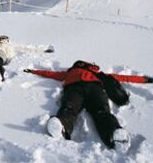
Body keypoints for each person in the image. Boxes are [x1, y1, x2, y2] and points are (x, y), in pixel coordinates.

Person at [24, 60, 153, 152]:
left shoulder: (98, 74)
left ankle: (114, 134)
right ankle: (62, 126)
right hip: (75, 88)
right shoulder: (70, 73)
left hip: (93, 88)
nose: (81, 66)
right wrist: (33, 71)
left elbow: (122, 77)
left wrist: (144, 79)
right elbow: (51, 74)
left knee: (101, 111)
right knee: (69, 108)